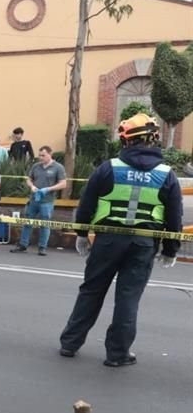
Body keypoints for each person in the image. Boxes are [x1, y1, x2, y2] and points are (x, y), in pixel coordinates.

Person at [58, 114, 183, 367]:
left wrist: (81, 234)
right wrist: (171, 249)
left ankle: (70, 344)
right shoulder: (166, 174)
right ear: (153, 139)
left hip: (107, 241)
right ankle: (117, 354)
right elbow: (174, 216)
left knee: (91, 291)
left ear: (126, 140)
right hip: (143, 244)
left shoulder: (108, 168)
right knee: (128, 298)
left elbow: (86, 205)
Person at [10, 145, 67, 256]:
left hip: (47, 201)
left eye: (43, 155)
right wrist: (31, 186)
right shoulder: (36, 166)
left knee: (44, 224)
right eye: (39, 155)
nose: (40, 158)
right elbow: (29, 179)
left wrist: (49, 189)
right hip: (34, 199)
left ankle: (42, 247)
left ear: (50, 154)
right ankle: (23, 245)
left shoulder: (58, 167)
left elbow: (63, 184)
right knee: (27, 221)